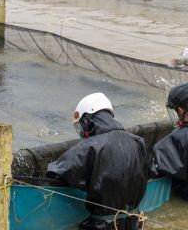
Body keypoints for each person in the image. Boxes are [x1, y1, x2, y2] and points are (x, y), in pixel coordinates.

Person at [47, 93, 149, 230]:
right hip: (135, 223)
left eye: (80, 126)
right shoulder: (139, 142)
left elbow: (56, 173)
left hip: (102, 226)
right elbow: (150, 171)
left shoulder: (90, 146)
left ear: (87, 120)